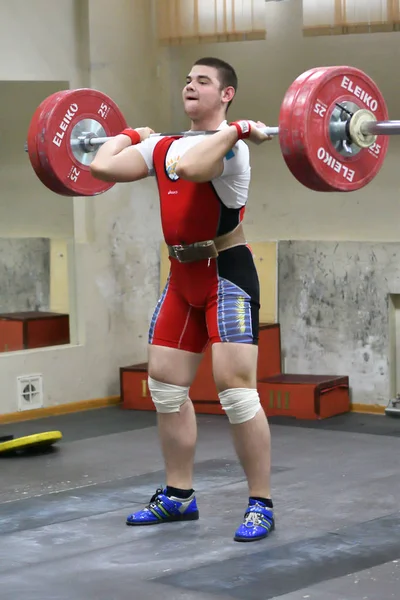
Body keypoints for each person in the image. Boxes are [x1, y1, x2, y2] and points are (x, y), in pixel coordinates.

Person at [90, 57, 274, 542]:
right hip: (181, 276)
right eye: (188, 79)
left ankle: (260, 504)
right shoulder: (166, 145)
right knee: (167, 390)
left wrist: (234, 131)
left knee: (236, 394)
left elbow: (192, 167)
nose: (190, 86)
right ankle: (178, 496)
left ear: (227, 93)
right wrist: (132, 135)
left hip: (226, 274)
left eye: (204, 81)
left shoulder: (233, 150)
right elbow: (99, 164)